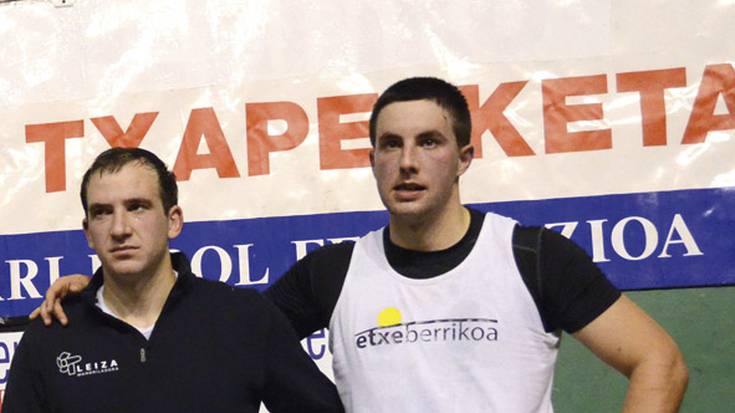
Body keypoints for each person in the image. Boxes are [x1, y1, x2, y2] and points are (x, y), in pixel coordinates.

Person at [35, 78, 688, 412]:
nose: (407, 161)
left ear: (463, 157)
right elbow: (208, 332)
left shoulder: (532, 256)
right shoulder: (331, 274)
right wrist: (100, 296)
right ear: (371, 159)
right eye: (389, 145)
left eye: (428, 142)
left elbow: (660, 362)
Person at [7, 148, 343, 413]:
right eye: (103, 212)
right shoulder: (50, 338)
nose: (120, 228)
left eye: (137, 207)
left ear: (173, 221)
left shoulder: (243, 318)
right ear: (88, 233)